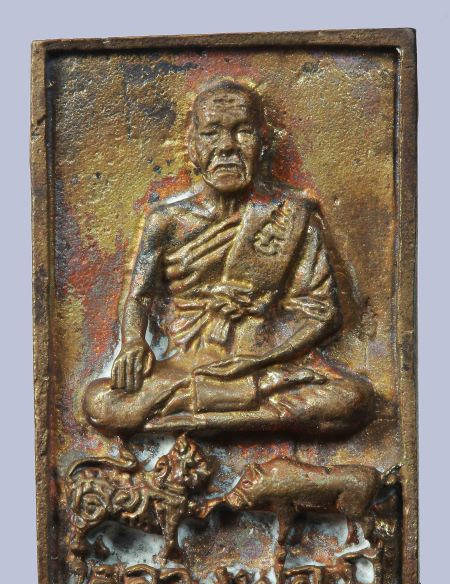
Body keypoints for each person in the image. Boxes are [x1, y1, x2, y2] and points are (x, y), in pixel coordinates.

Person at [84, 79, 374, 437]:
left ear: (263, 143)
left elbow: (323, 313)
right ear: (192, 146)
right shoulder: (167, 221)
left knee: (352, 400)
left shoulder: (292, 215)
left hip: (268, 362)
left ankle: (197, 414)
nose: (227, 147)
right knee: (101, 403)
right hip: (188, 365)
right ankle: (237, 412)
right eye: (211, 133)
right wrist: (133, 342)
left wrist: (260, 361)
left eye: (242, 132)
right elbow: (140, 296)